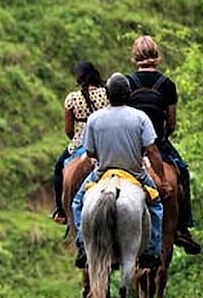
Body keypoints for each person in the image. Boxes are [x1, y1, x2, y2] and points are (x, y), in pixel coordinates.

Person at [70, 72, 170, 270]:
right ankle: (151, 250)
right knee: (157, 204)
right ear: (129, 94)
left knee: (77, 202)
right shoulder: (140, 117)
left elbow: (90, 151)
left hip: (103, 173)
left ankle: (82, 244)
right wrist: (162, 180)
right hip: (135, 173)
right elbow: (152, 150)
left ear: (107, 94)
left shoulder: (95, 119)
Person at [125, 35, 202, 255]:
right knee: (183, 173)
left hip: (133, 147)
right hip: (158, 144)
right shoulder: (167, 84)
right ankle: (182, 228)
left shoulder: (128, 82)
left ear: (135, 56)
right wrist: (162, 135)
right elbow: (172, 123)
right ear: (156, 56)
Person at [51, 61, 109, 224]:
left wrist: (77, 138)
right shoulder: (106, 94)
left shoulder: (72, 99)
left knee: (58, 168)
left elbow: (69, 130)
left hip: (80, 143)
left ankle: (61, 211)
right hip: (104, 144)